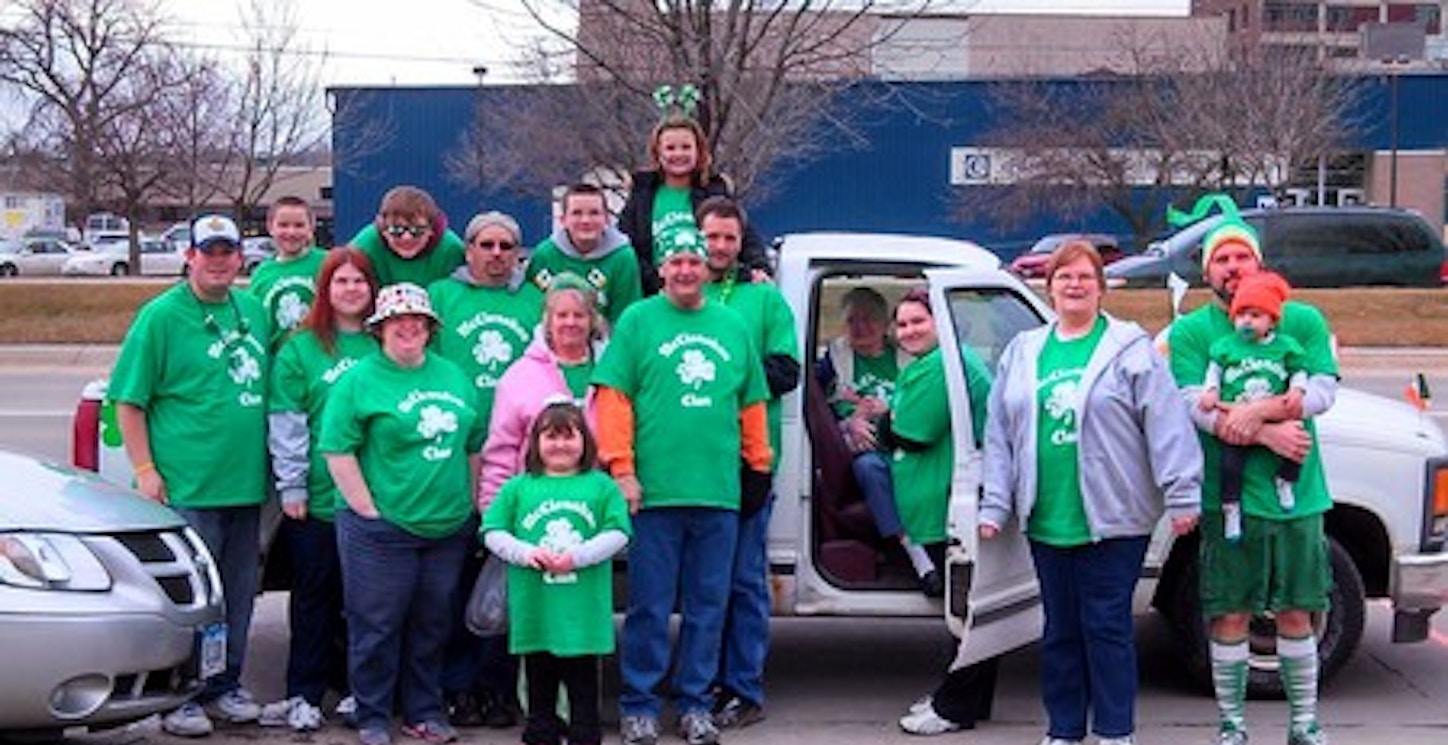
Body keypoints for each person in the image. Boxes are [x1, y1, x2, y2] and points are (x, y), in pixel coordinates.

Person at [978, 240, 1201, 745]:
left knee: (1107, 627)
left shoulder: (1129, 349)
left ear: (1102, 287)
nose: (1074, 285)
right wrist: (996, 501)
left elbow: (1166, 424)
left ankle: (1115, 730)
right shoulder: (1024, 351)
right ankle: (1064, 730)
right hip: (1047, 515)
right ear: (1049, 287)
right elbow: (1000, 433)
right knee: (1060, 631)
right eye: (1064, 277)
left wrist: (1183, 493)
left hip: (1115, 518)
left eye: (1085, 277)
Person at [593, 226, 772, 745]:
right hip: (654, 493)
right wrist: (621, 468)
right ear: (663, 268)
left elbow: (752, 403)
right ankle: (639, 705)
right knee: (649, 606)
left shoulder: (732, 324)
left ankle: (695, 703)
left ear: (706, 267)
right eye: (676, 262)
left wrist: (758, 465)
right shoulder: (637, 320)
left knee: (708, 605)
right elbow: (614, 398)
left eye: (695, 261)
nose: (687, 270)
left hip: (716, 491)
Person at [1167, 209, 1338, 745]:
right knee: (1230, 613)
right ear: (1206, 271)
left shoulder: (1302, 319)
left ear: (1260, 263)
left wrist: (1254, 414)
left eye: (1242, 256)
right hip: (1228, 498)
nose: (1232, 267)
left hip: (1298, 498)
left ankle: (1303, 723)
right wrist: (1268, 432)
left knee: (1296, 610)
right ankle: (1231, 726)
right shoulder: (1192, 332)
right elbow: (1192, 403)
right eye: (1222, 258)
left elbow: (1322, 392)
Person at [109, 214, 272, 736]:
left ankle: (225, 686)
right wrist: (145, 469)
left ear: (240, 257)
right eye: (210, 251)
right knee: (192, 600)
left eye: (229, 251)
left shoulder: (252, 311)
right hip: (188, 486)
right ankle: (181, 695)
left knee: (237, 596)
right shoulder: (160, 317)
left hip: (246, 486)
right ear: (190, 255)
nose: (220, 260)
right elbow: (128, 402)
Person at [320, 283, 487, 745]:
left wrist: (470, 501)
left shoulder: (453, 375)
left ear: (431, 328)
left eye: (418, 320)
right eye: (398, 320)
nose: (408, 327)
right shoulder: (359, 380)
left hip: (447, 525)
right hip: (382, 528)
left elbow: (473, 446)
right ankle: (372, 714)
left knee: (433, 625)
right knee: (376, 625)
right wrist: (367, 510)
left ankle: (424, 711)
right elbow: (337, 448)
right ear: (379, 329)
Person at [426, 210, 542, 727]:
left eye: (506, 246)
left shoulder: (533, 302)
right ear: (468, 249)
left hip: (518, 467)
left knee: (503, 588)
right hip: (453, 461)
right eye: (486, 245)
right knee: (455, 586)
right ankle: (458, 687)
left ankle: (499, 688)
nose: (496, 255)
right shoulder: (442, 297)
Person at [258, 248, 380, 732]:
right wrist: (292, 486)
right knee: (314, 597)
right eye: (341, 282)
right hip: (318, 498)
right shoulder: (301, 348)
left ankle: (356, 689)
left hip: (373, 502)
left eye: (359, 282)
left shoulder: (383, 343)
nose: (351, 290)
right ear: (324, 290)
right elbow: (287, 422)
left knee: (365, 603)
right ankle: (304, 693)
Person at [697, 197, 800, 730]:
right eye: (710, 237)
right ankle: (700, 682)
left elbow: (786, 371)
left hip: (747, 462)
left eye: (728, 239)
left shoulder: (765, 301)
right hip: (689, 466)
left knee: (742, 581)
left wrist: (726, 371)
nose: (718, 248)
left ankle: (743, 687)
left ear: (741, 243)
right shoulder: (678, 296)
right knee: (701, 584)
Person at [481, 402, 632, 745]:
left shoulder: (601, 487)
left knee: (582, 685)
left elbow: (619, 532)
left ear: (585, 442)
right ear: (535, 442)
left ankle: (584, 736)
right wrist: (526, 553)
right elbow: (492, 531)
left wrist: (577, 557)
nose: (560, 445)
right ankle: (541, 733)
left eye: (569, 436)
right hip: (536, 611)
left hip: (582, 614)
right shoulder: (519, 487)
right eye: (551, 436)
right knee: (539, 681)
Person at [894, 293, 1004, 738]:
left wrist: (884, 424)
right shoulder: (935, 363)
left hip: (956, 501)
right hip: (941, 501)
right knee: (967, 611)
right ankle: (966, 700)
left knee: (968, 614)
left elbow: (909, 430)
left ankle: (955, 705)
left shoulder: (944, 365)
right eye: (901, 325)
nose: (909, 331)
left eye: (918, 320)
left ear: (940, 320)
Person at [814, 287, 938, 594]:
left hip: (902, 444)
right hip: (862, 452)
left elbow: (925, 402)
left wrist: (890, 408)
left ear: (885, 325)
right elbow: (810, 402)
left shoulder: (909, 357)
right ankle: (916, 554)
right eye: (853, 320)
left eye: (868, 319)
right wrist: (846, 423)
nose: (860, 327)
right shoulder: (837, 356)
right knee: (870, 468)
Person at [1198, 269, 1306, 541]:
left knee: (1297, 445)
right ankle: (1231, 509)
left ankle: (1285, 481)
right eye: (1241, 315)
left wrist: (1296, 390)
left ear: (1271, 320)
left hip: (1275, 412)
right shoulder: (1226, 346)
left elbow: (1298, 371)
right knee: (1230, 466)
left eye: (1255, 316)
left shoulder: (1285, 346)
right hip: (1235, 413)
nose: (1247, 322)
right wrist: (1210, 391)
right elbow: (1214, 371)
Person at [481, 278, 607, 502]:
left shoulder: (611, 372)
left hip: (597, 501)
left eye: (579, 315)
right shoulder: (518, 377)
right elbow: (502, 451)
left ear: (592, 321)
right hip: (532, 504)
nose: (571, 322)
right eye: (561, 315)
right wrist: (494, 510)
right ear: (547, 321)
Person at [616, 114, 768, 294]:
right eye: (670, 148)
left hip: (711, 293)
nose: (678, 154)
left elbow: (742, 235)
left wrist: (759, 268)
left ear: (699, 151)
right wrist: (657, 282)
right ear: (658, 153)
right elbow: (626, 246)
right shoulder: (641, 193)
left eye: (686, 147)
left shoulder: (715, 190)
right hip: (657, 294)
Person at [526, 183, 643, 325]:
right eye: (577, 213)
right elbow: (533, 310)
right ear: (563, 220)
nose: (585, 220)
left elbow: (625, 318)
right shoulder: (544, 255)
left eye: (594, 213)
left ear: (606, 218)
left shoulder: (623, 258)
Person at [349, 185, 467, 287]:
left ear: (431, 230)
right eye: (397, 230)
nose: (407, 237)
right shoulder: (364, 246)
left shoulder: (452, 249)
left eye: (417, 230)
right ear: (383, 230)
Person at [249, 195, 327, 348]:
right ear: (270, 227)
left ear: (311, 228)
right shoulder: (262, 273)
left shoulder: (327, 263)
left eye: (299, 225)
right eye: (283, 225)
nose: (291, 232)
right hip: (279, 360)